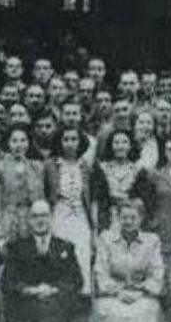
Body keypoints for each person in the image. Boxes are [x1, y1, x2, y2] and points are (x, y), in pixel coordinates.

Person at [1, 200, 83, 322]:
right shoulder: (17, 247)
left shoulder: (65, 247)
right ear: (29, 220)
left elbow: (76, 280)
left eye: (44, 215)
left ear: (51, 218)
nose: (40, 220)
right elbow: (8, 282)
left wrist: (54, 289)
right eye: (35, 216)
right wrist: (29, 290)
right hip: (27, 307)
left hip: (58, 306)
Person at [93, 199, 165, 322]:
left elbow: (157, 274)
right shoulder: (106, 239)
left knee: (145, 312)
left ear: (141, 218)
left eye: (133, 218)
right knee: (107, 312)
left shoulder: (152, 241)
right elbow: (101, 272)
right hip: (113, 296)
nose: (128, 222)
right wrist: (118, 292)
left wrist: (141, 292)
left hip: (143, 296)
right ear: (118, 218)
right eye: (124, 217)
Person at [45, 126, 95, 294]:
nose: (70, 143)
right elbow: (46, 192)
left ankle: (83, 294)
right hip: (59, 213)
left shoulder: (85, 165)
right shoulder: (51, 165)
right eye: (66, 139)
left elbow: (88, 194)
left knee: (82, 253)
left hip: (80, 215)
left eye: (74, 139)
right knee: (60, 253)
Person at [0, 126, 46, 252]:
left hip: (31, 222)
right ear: (8, 143)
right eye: (15, 141)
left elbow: (41, 200)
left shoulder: (36, 167)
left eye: (23, 140)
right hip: (8, 221)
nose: (19, 145)